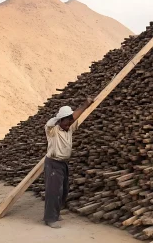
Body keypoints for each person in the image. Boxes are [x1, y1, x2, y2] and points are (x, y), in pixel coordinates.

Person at [43, 97, 93, 228]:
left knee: (63, 190)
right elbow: (50, 122)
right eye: (65, 122)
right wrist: (61, 117)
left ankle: (56, 213)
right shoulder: (53, 130)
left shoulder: (69, 128)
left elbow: (75, 116)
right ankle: (50, 219)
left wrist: (85, 105)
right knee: (53, 191)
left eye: (70, 121)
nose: (68, 124)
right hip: (53, 163)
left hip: (63, 163)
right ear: (60, 120)